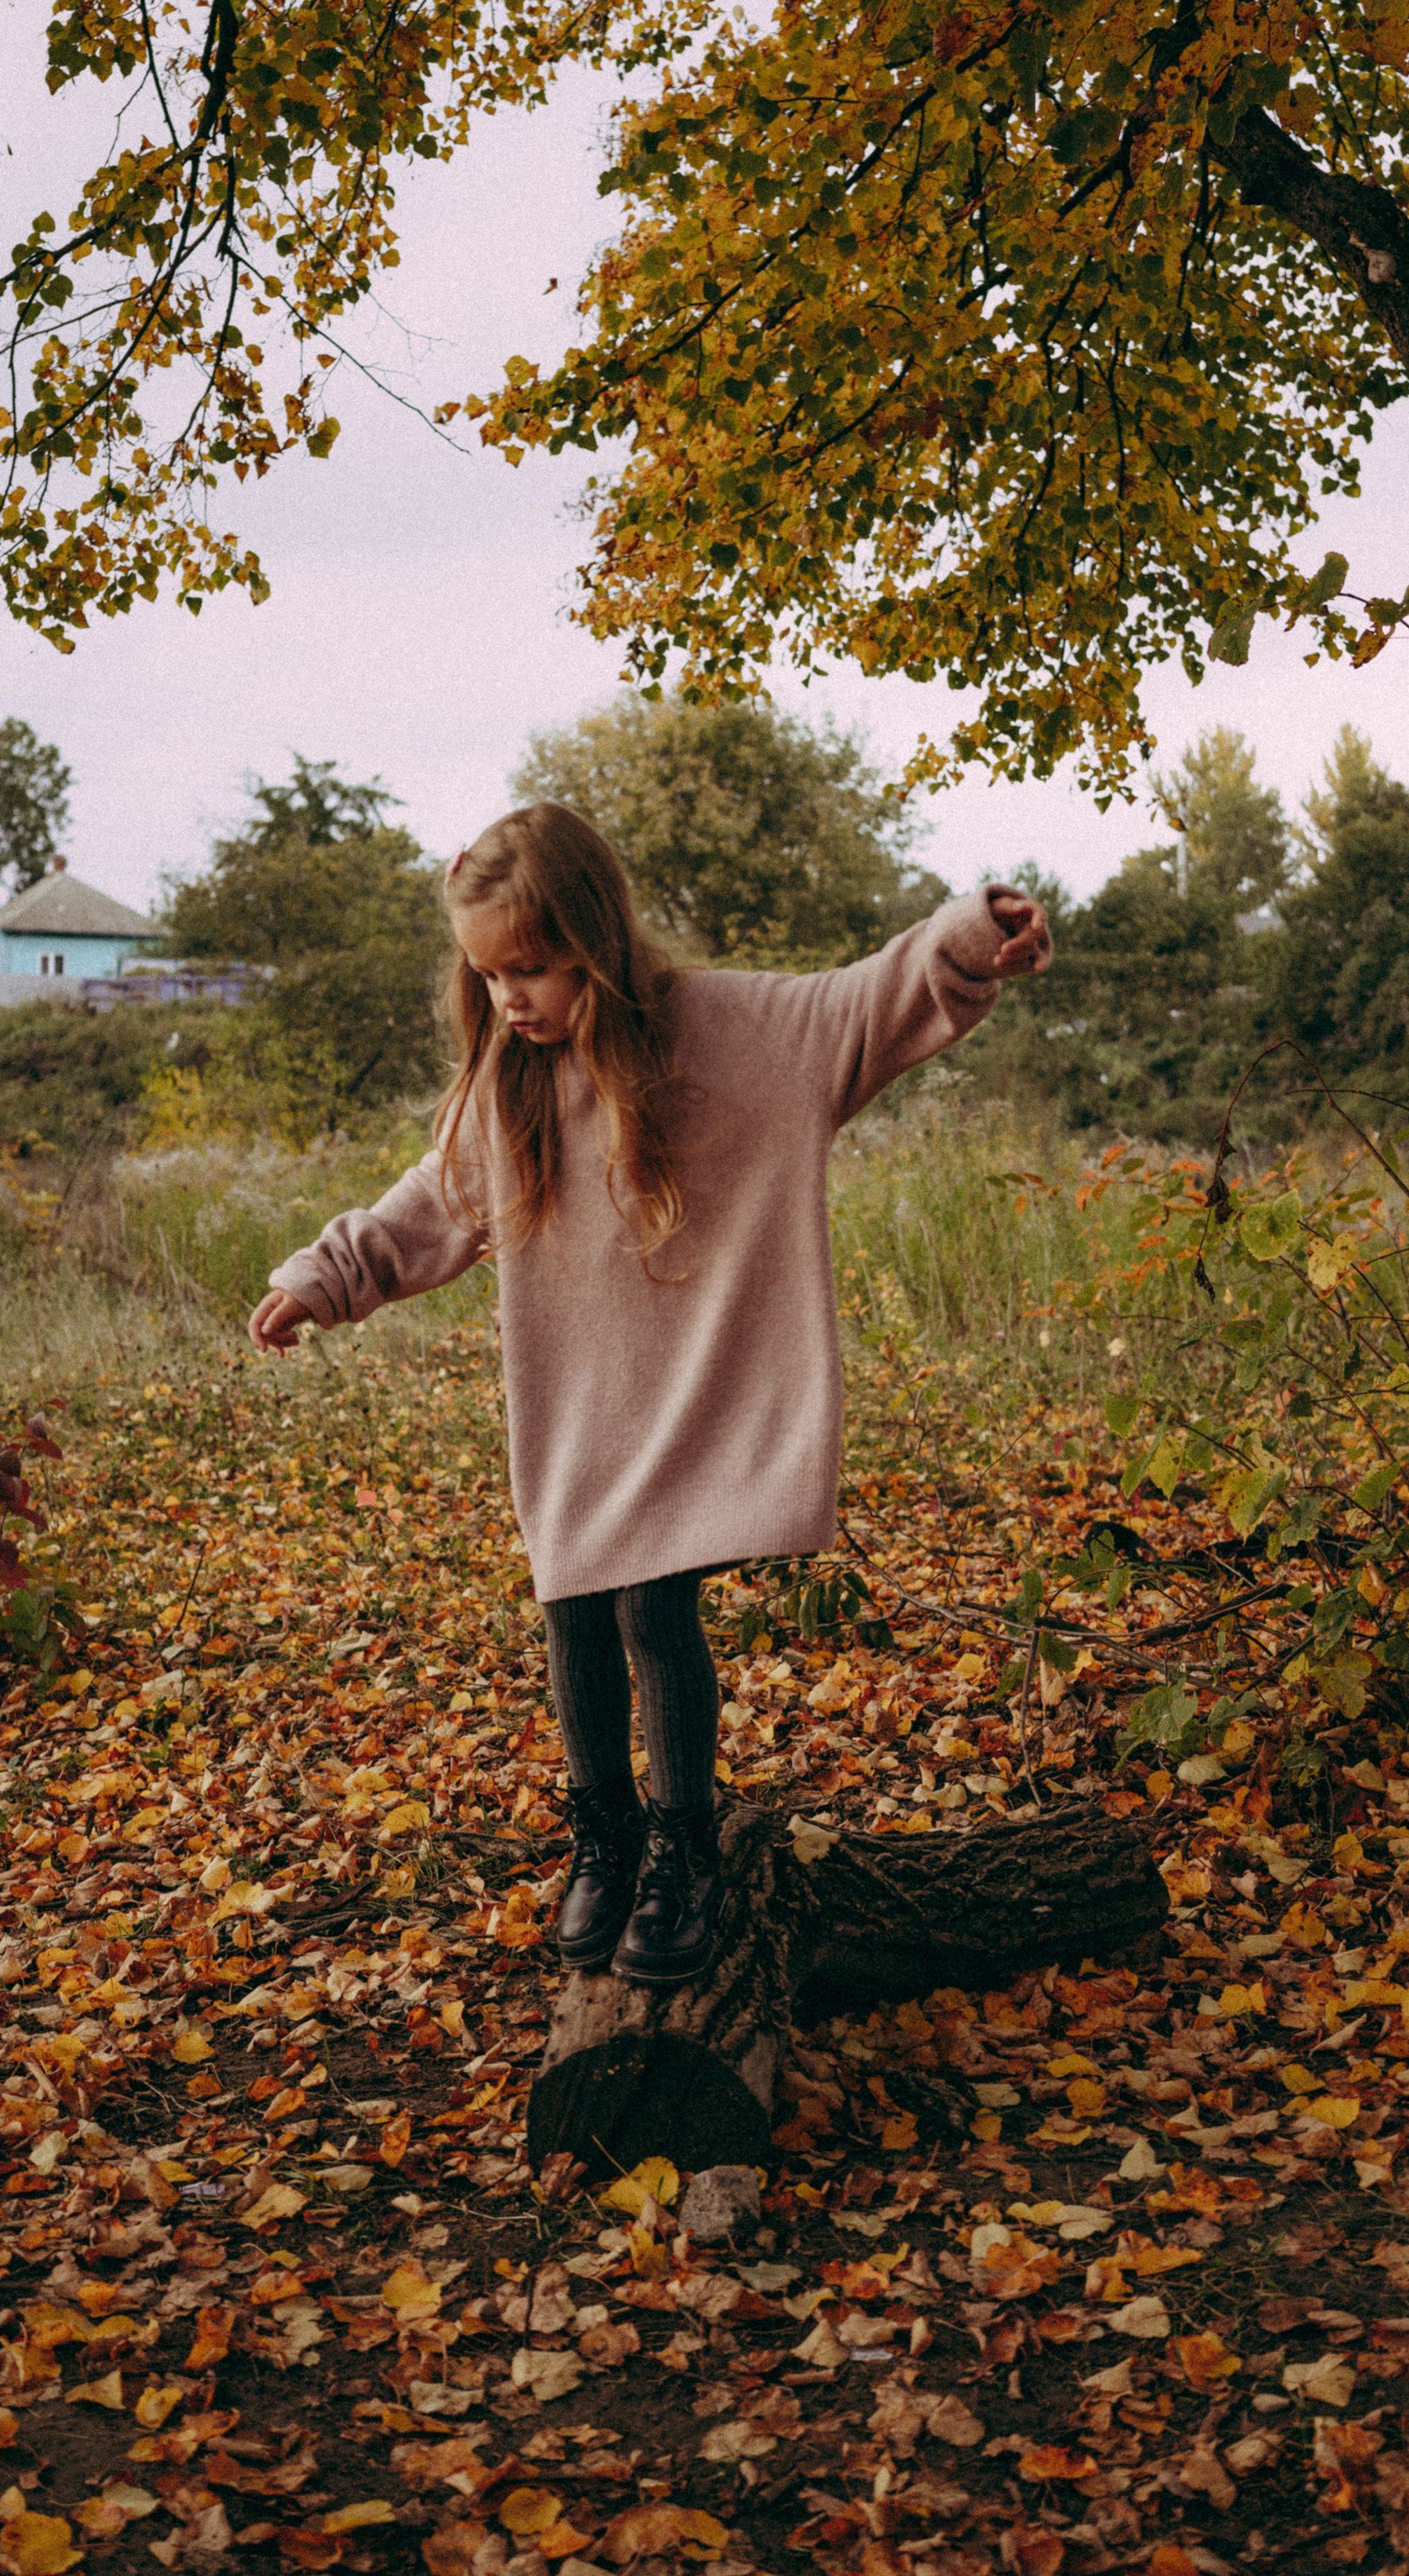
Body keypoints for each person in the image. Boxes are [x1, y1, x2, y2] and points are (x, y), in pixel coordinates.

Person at [248, 802, 1050, 1989]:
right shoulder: (508, 1089)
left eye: (533, 967)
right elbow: (428, 1202)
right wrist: (327, 1274)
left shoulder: (729, 1030)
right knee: (574, 1611)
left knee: (653, 1616)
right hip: (575, 1409)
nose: (512, 998)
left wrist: (968, 936)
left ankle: (685, 1846)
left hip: (690, 1395)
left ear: (596, 940)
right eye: (490, 974)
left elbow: (863, 1002)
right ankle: (606, 1835)